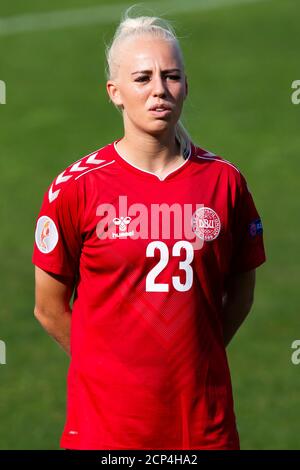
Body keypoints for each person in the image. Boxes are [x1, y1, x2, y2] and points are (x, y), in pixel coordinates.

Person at [32, 7, 266, 451]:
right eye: (142, 78)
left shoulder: (225, 183)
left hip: (203, 430)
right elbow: (49, 308)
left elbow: (241, 292)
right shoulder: (76, 187)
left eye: (171, 76)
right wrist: (108, 374)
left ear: (185, 85)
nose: (160, 90)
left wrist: (196, 361)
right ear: (114, 92)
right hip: (105, 432)